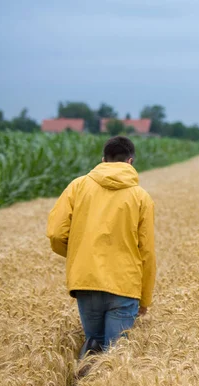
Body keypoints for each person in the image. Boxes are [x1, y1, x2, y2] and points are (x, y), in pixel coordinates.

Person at [47, 136, 156, 357]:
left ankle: (83, 382)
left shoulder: (77, 187)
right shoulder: (141, 198)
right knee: (115, 358)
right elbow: (147, 252)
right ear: (130, 162)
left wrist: (79, 254)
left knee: (93, 346)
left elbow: (56, 234)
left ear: (102, 159)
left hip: (86, 280)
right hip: (124, 286)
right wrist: (144, 299)